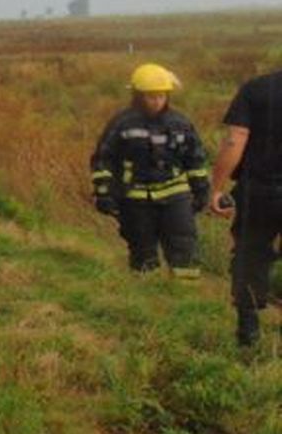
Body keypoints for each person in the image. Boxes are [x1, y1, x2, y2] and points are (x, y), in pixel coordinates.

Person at [90, 64, 209, 277]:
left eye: (161, 96)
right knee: (143, 256)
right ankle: (149, 302)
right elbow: (103, 159)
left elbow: (195, 160)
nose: (156, 101)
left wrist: (201, 191)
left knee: (185, 251)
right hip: (135, 200)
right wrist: (103, 193)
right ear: (138, 96)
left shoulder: (180, 123)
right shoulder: (122, 124)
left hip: (176, 198)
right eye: (151, 96)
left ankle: (187, 301)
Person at [205, 67, 282, 346]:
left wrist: (216, 189)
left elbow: (235, 140)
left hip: (258, 192)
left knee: (249, 256)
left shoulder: (256, 88)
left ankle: (248, 332)